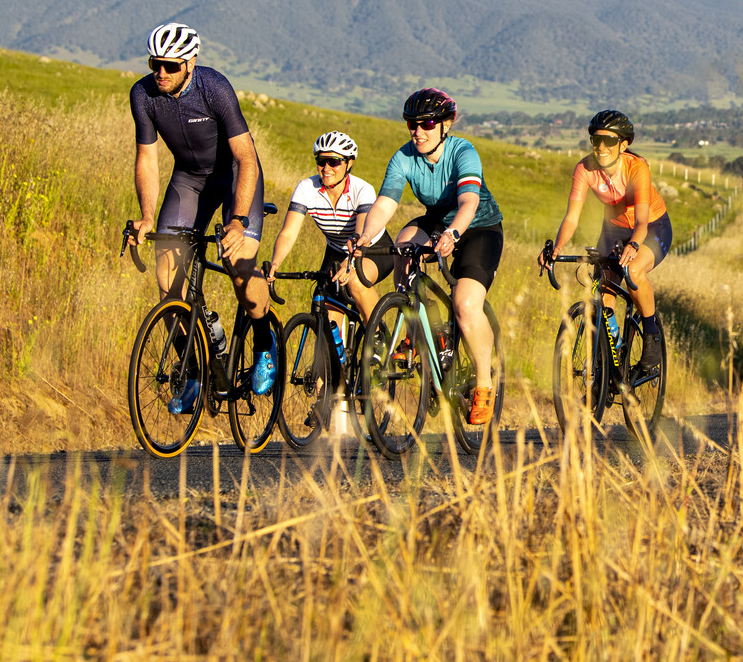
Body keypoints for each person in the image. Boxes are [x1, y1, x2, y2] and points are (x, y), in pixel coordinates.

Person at [124, 23, 275, 412]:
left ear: (190, 63)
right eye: (155, 63)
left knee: (239, 266)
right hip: (189, 181)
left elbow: (245, 158)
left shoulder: (214, 88)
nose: (161, 73)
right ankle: (192, 373)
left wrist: (238, 220)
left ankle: (263, 343)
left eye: (171, 66)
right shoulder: (142, 95)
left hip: (235, 180)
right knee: (167, 283)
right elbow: (147, 158)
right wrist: (145, 216)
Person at [352, 88, 504, 426]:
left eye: (427, 124)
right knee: (404, 244)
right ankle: (420, 327)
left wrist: (452, 235)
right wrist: (364, 237)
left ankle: (483, 384)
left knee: (465, 305)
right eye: (411, 125)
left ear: (445, 125)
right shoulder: (404, 157)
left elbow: (468, 203)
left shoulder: (463, 152)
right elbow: (385, 205)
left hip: (479, 227)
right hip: (437, 220)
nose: (417, 132)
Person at [542, 110, 670, 379]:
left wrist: (634, 246)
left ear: (624, 145)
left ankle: (651, 336)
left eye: (609, 141)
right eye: (596, 140)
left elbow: (643, 223)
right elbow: (572, 217)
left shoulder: (637, 169)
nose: (601, 147)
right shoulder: (584, 169)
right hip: (613, 230)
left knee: (633, 272)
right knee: (603, 297)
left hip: (651, 228)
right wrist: (556, 249)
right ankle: (610, 363)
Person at [265, 131, 388, 320]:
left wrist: (351, 262)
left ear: (349, 163)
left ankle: (377, 339)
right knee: (328, 318)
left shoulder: (362, 190)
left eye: (334, 161)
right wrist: (275, 263)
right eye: (321, 161)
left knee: (355, 282)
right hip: (336, 251)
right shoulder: (306, 188)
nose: (326, 168)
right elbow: (288, 233)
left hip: (371, 249)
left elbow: (361, 234)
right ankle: (335, 350)